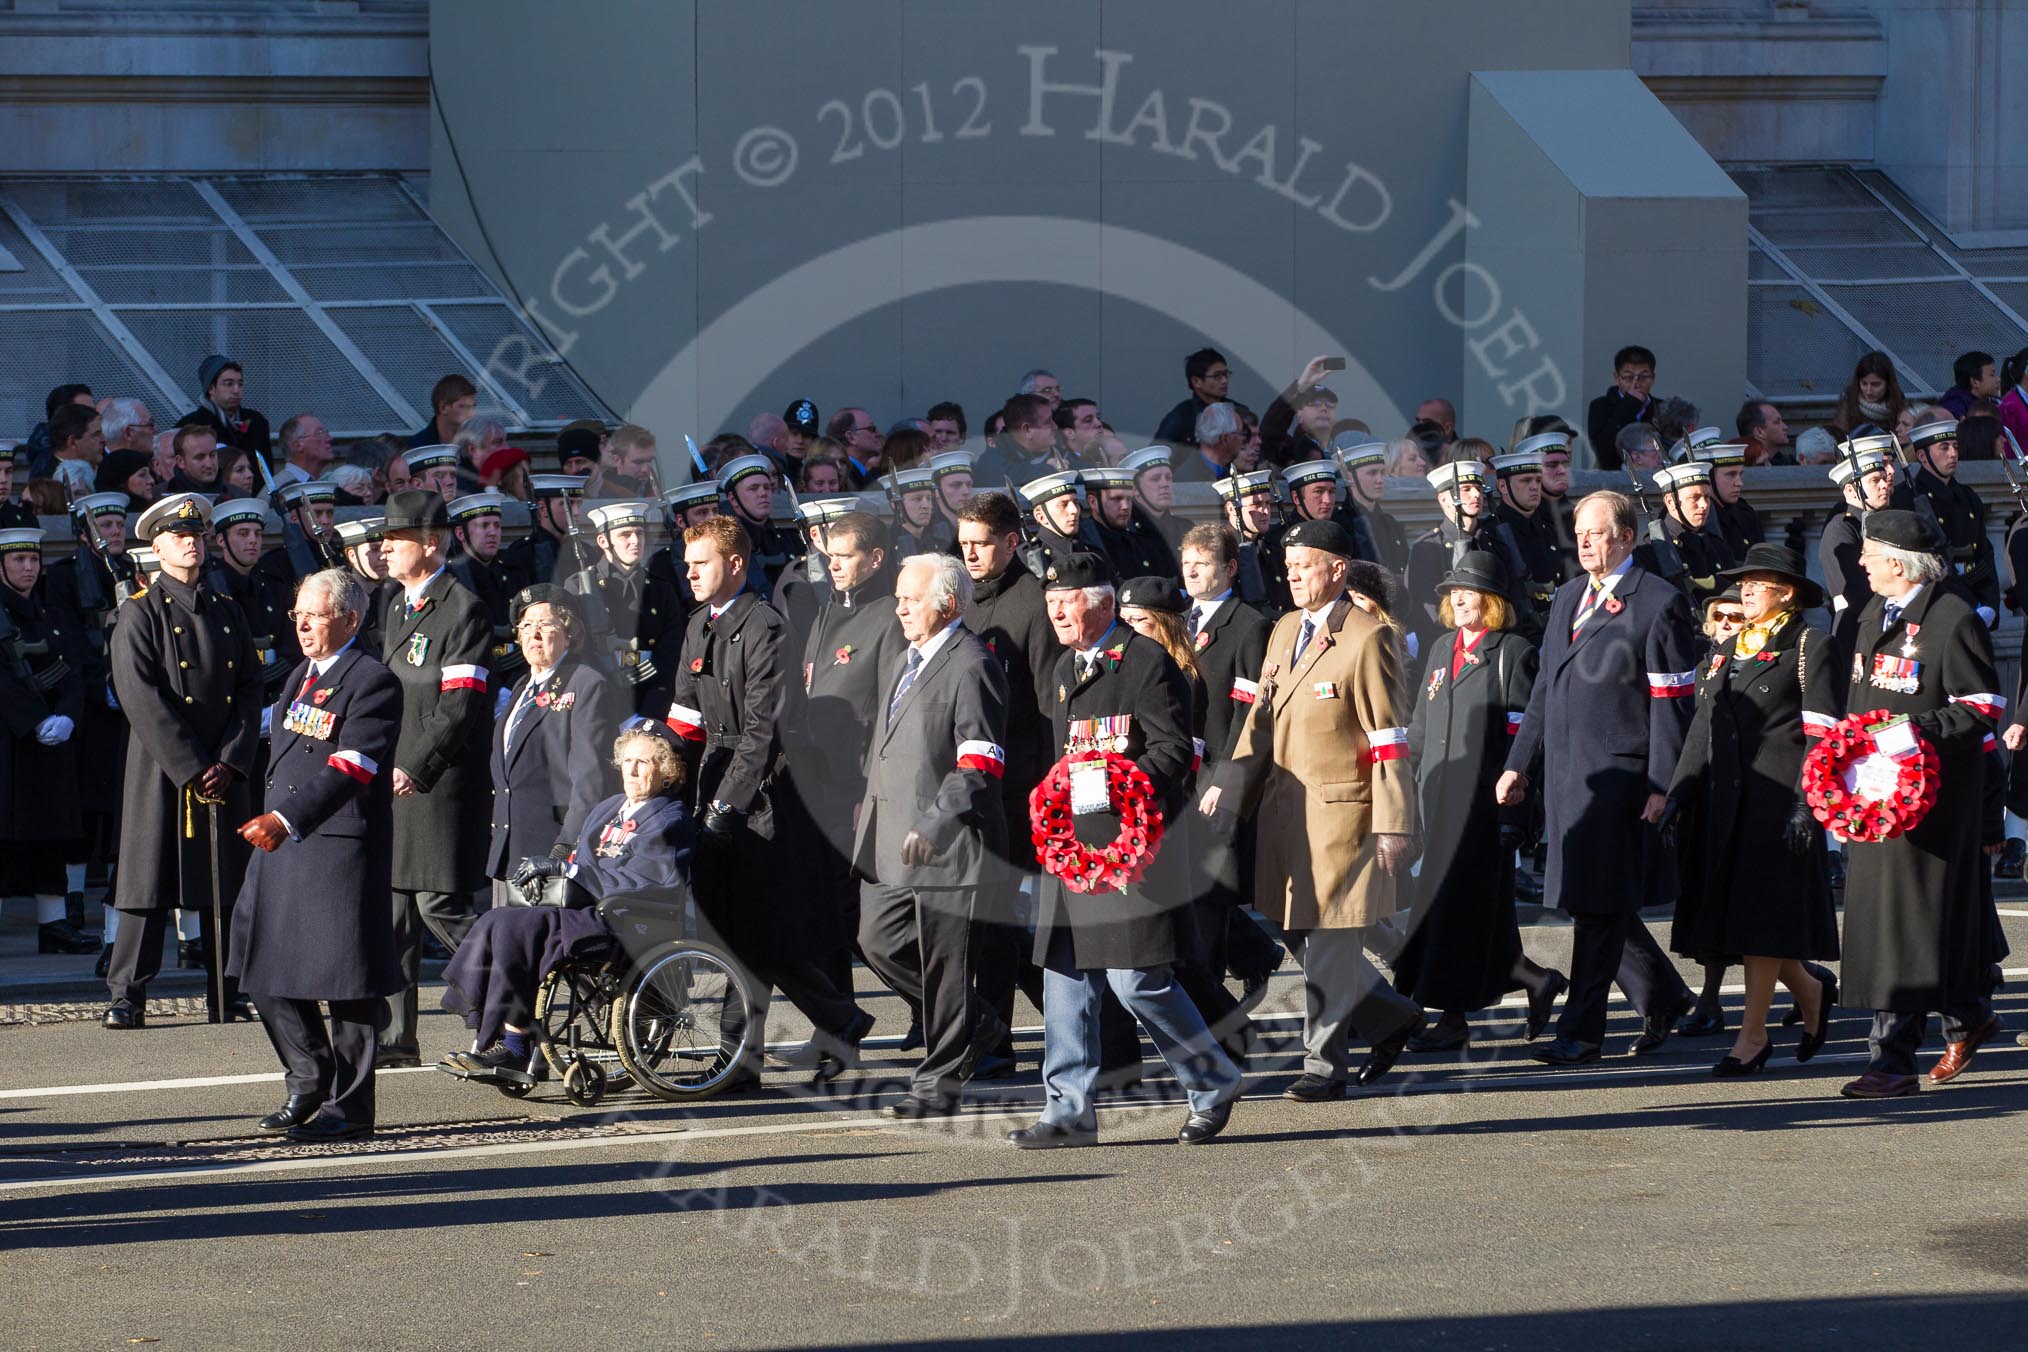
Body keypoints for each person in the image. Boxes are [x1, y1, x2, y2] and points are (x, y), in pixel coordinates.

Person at [1011, 553, 1241, 1148]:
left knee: (1137, 981)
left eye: (1069, 600)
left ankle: (1212, 1081)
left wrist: (1112, 788)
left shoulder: (1146, 662)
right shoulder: (1066, 668)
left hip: (1128, 848)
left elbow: (1171, 751)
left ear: (1105, 604)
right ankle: (1067, 1110)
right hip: (1073, 851)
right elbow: (1065, 756)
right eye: (1051, 602)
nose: (1057, 610)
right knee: (1065, 978)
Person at [1209, 519, 1428, 1099]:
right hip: (1284, 814)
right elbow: (1259, 719)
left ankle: (1323, 1067)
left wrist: (1394, 823)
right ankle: (1389, 1014)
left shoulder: (1366, 637)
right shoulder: (1282, 630)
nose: (1292, 575)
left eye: (1303, 565)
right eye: (1288, 567)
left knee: (1330, 939)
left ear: (1336, 569)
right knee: (1291, 929)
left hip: (1342, 815)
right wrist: (1230, 789)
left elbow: (1388, 738)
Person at [667, 515, 872, 1082]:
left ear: (735, 564)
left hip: (763, 797)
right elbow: (685, 720)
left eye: (701, 562)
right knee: (738, 928)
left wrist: (726, 805)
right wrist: (658, 782)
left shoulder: (767, 629)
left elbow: (763, 732)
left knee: (756, 926)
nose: (691, 573)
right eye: (687, 564)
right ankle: (830, 1021)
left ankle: (751, 1052)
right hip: (716, 782)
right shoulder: (697, 627)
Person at [1498, 492, 1698, 1064]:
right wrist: (1518, 765)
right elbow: (1543, 691)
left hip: (1622, 780)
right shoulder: (1566, 598)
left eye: (1596, 532)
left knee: (1598, 908)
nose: (1583, 541)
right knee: (1595, 904)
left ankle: (1581, 1031)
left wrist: (1663, 785)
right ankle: (1664, 995)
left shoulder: (1658, 602)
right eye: (1579, 532)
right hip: (1568, 780)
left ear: (1627, 537)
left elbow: (1672, 703)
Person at [228, 567, 404, 1141]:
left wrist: (286, 818)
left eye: (316, 614)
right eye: (297, 613)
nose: (302, 624)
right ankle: (308, 1075)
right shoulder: (300, 674)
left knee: (348, 981)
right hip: (282, 842)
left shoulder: (371, 678)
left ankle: (350, 1108)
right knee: (258, 963)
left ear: (350, 619)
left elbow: (355, 765)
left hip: (333, 842)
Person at [1838, 511, 2006, 1097]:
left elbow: (1982, 706)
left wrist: (1911, 732)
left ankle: (1891, 1062)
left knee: (1907, 929)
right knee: (1900, 925)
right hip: (1875, 797)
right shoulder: (1869, 616)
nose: (1859, 562)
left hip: (1929, 804)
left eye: (1869, 552)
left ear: (1898, 561)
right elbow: (1862, 702)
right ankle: (1967, 1015)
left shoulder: (1951, 618)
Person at [1662, 545, 1838, 1076]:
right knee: (1742, 917)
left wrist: (1808, 803)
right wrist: (1680, 792)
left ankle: (1752, 1035)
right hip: (1725, 800)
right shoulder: (1728, 647)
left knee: (1761, 921)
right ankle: (1809, 992)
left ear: (1787, 592)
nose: (1746, 590)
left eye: (1758, 583)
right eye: (1744, 583)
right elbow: (1702, 725)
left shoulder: (1812, 643)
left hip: (1779, 800)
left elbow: (1823, 731)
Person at [442, 723, 694, 1087]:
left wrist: (570, 871)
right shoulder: (608, 808)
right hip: (585, 907)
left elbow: (647, 879)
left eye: (644, 762)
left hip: (626, 916)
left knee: (520, 928)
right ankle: (497, 1034)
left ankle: (514, 1043)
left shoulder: (671, 818)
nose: (632, 770)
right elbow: (581, 861)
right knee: (499, 919)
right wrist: (553, 877)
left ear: (667, 772)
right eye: (627, 761)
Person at [852, 553, 1010, 1117]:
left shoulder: (972, 664)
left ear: (946, 604)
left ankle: (936, 1085)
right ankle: (977, 1021)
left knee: (945, 963)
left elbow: (981, 761)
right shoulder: (906, 660)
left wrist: (936, 821)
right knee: (877, 939)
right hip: (890, 834)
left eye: (910, 598)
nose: (899, 606)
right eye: (898, 595)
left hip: (946, 843)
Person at [101, 493, 264, 1029]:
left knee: (225, 884)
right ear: (156, 546)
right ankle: (128, 992)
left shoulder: (226, 611)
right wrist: (194, 765)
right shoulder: (139, 612)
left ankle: (229, 989)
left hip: (221, 766)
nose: (190, 543)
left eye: (196, 534)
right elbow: (140, 696)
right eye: (178, 536)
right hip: (164, 767)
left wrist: (232, 760)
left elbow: (248, 690)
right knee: (147, 881)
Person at [1392, 550, 1564, 1049]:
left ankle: (1451, 1019)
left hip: (1484, 808)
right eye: (1453, 592)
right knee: (1472, 913)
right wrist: (1402, 778)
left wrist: (1514, 807)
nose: (1460, 598)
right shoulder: (1442, 647)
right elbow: (1422, 726)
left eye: (1471, 592)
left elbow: (1523, 738)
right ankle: (1537, 981)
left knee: (1459, 910)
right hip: (1435, 799)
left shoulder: (1513, 652)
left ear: (1493, 602)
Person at [376, 488, 494, 1067]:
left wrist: (415, 767)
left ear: (431, 543)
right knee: (395, 909)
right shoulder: (394, 605)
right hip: (394, 778)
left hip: (437, 781)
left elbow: (459, 705)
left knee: (438, 904)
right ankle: (397, 1036)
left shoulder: (461, 607)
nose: (384, 550)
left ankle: (504, 1003)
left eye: (395, 540)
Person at [785, 508, 906, 1011]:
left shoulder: (889, 618)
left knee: (867, 921)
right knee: (825, 914)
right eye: (828, 556)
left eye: (844, 556)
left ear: (875, 559)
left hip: (858, 788)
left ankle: (927, 1007)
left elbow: (888, 716)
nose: (833, 565)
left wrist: (870, 794)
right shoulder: (826, 611)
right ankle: (840, 1020)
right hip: (820, 785)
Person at [1178, 523, 1283, 1001]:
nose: (1193, 571)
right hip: (1185, 774)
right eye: (1187, 563)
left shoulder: (1247, 625)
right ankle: (1255, 954)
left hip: (1220, 775)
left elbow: (1248, 712)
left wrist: (1227, 777)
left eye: (1204, 563)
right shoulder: (1181, 621)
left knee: (1211, 892)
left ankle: (1213, 991)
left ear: (1231, 569)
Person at [485, 585, 620, 905]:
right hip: (508, 851)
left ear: (570, 632)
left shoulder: (586, 684)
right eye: (526, 626)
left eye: (545, 625)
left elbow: (591, 780)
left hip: (549, 853)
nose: (534, 634)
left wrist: (564, 849)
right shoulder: (520, 688)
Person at [0, 527, 93, 954]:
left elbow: (72, 668)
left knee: (51, 833)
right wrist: (34, 720)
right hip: (11, 741)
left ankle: (53, 923)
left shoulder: (48, 613)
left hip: (51, 742)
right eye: (18, 560)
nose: (28, 567)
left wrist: (68, 716)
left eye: (33, 560)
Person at [567, 500, 687, 716]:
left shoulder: (661, 590)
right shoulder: (579, 588)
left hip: (654, 701)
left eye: (639, 533)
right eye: (625, 534)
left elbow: (670, 655)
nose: (635, 541)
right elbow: (578, 652)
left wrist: (650, 713)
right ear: (603, 541)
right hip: (599, 703)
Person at [1893, 412, 1999, 628]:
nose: (1953, 454)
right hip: (1933, 613)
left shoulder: (1968, 498)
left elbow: (1985, 557)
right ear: (1922, 456)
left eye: (1955, 447)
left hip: (1974, 605)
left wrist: (1989, 607)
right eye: (1944, 448)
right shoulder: (1905, 499)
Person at [1819, 436, 1897, 652]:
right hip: (1857, 633)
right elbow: (1855, 592)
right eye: (1874, 481)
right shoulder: (1841, 528)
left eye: (1883, 478)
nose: (1884, 485)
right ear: (1851, 490)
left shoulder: (1886, 520)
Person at [447, 491, 525, 703]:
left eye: (497, 525)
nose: (493, 532)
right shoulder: (451, 579)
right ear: (460, 534)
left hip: (517, 678)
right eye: (483, 526)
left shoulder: (513, 572)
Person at [1639, 460, 1734, 601]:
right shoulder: (1650, 547)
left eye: (1707, 497)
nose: (1704, 505)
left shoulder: (1717, 545)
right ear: (1671, 502)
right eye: (1694, 498)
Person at [501, 473, 592, 592]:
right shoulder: (522, 554)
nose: (576, 512)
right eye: (566, 504)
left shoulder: (586, 550)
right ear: (543, 508)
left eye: (578, 504)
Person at [177, 355, 272, 467]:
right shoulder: (190, 426)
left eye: (240, 384)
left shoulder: (256, 422)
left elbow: (267, 470)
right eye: (228, 384)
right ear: (211, 388)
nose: (236, 390)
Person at [1586, 345, 1657, 471]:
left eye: (1644, 377)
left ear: (1653, 378)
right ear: (1617, 378)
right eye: (1629, 377)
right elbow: (1602, 449)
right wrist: (1629, 405)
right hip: (1613, 476)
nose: (1636, 384)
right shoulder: (1600, 406)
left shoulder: (1661, 408)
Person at [1259, 357, 1338, 468]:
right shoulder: (1289, 449)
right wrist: (1300, 386)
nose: (1324, 408)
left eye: (1330, 404)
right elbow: (1269, 431)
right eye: (1315, 403)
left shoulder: (1344, 444)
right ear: (1299, 414)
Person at [1153, 347, 1232, 450]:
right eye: (1217, 376)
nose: (1224, 381)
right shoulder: (1181, 416)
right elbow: (1156, 454)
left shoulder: (1236, 411)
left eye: (1226, 374)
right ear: (1196, 381)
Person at [1698, 441, 1765, 559]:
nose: (1739, 483)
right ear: (1709, 478)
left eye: (1740, 474)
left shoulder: (1745, 513)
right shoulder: (1698, 516)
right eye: (1731, 474)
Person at [1833, 351, 1907, 437]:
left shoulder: (1899, 404)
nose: (1868, 391)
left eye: (1875, 384)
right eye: (1864, 384)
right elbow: (1839, 437)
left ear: (1888, 384)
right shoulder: (1849, 402)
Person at [410, 373, 477, 450]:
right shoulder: (417, 448)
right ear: (443, 408)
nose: (472, 414)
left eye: (474, 406)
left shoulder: (477, 445)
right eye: (464, 407)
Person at [1938, 350, 1999, 420]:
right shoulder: (1954, 408)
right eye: (1992, 375)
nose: (1998, 379)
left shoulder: (1990, 401)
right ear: (1975, 382)